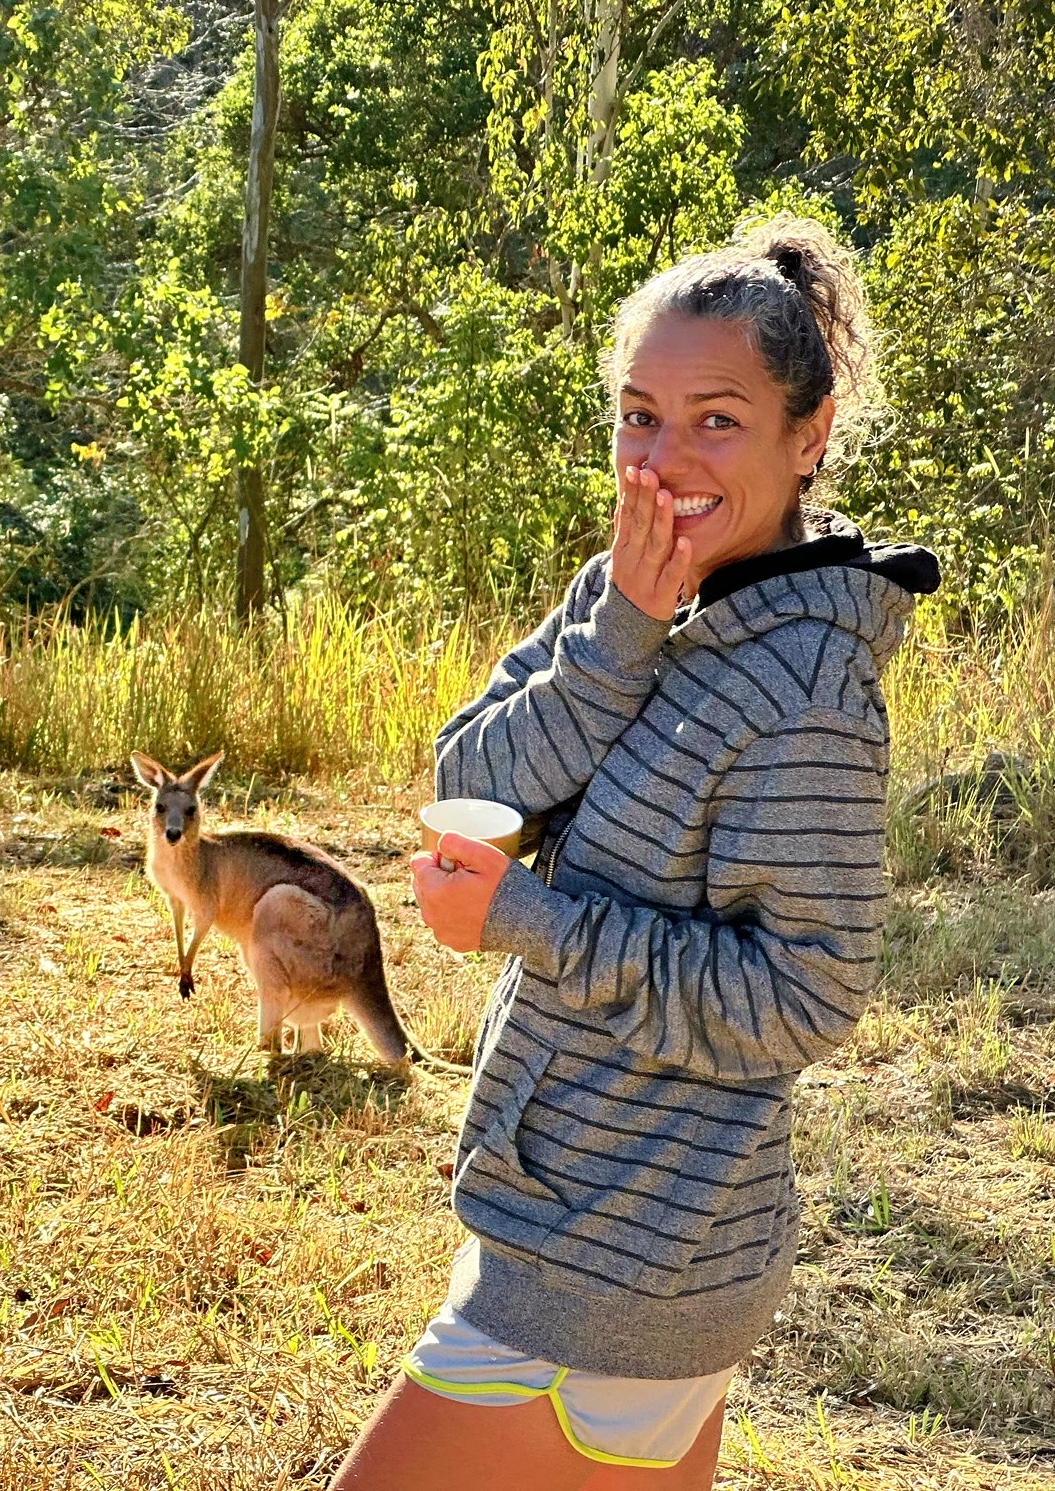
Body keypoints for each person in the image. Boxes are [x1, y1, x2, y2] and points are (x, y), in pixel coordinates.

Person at [330, 215, 939, 1491]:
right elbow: (470, 787)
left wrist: (534, 928)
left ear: (809, 434)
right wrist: (615, 640)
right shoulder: (633, 591)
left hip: (627, 1255)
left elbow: (806, 997)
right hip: (586, 1222)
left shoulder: (808, 688)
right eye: (639, 416)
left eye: (717, 419)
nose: (664, 460)